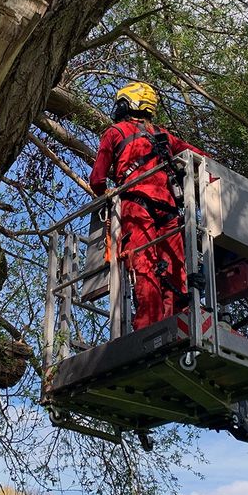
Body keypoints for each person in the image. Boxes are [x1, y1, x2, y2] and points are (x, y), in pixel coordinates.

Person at [89, 82, 206, 330]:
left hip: (136, 206)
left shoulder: (115, 132)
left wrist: (106, 194)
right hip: (169, 209)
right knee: (175, 267)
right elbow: (200, 158)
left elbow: (97, 179)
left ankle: (148, 327)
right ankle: (180, 318)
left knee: (144, 267)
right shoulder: (164, 136)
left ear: (127, 104)